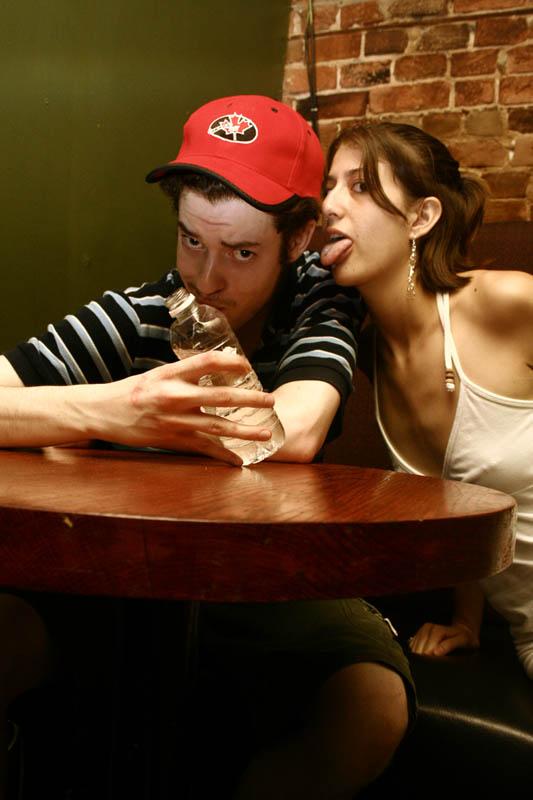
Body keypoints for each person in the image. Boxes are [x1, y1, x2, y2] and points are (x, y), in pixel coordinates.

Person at [0, 96, 415, 799]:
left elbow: (293, 429)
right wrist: (113, 409)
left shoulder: (317, 303)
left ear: (298, 238)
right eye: (192, 240)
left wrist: (111, 426)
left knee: (370, 708)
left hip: (273, 576)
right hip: (117, 572)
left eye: (242, 252)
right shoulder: (139, 313)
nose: (207, 277)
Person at [321, 120, 533, 680]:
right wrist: (466, 619)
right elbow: (468, 496)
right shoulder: (370, 355)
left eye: (360, 186)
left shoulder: (505, 304)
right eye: (329, 185)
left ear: (421, 217)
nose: (329, 206)